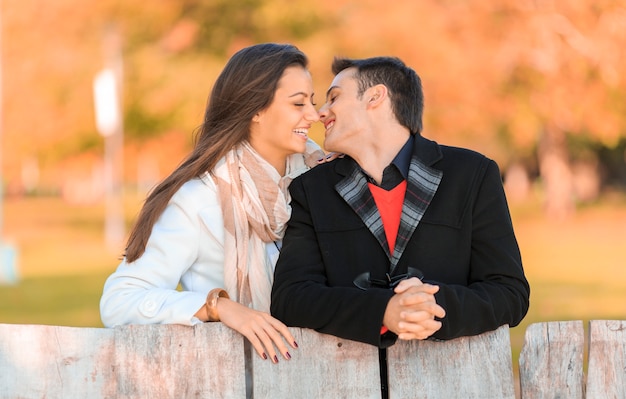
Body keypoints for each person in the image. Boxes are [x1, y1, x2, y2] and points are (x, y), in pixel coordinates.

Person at [271, 56, 530, 348]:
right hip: (347, 382)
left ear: (375, 97)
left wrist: (431, 306)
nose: (321, 112)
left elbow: (510, 293)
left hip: (453, 382)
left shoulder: (472, 174)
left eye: (334, 98)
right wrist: (382, 311)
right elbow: (290, 298)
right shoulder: (312, 188)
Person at [100, 43, 325, 363]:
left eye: (313, 103)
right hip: (232, 379)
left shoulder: (321, 182)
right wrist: (219, 307)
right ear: (256, 110)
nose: (313, 115)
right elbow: (119, 301)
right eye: (298, 103)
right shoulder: (197, 200)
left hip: (326, 372)